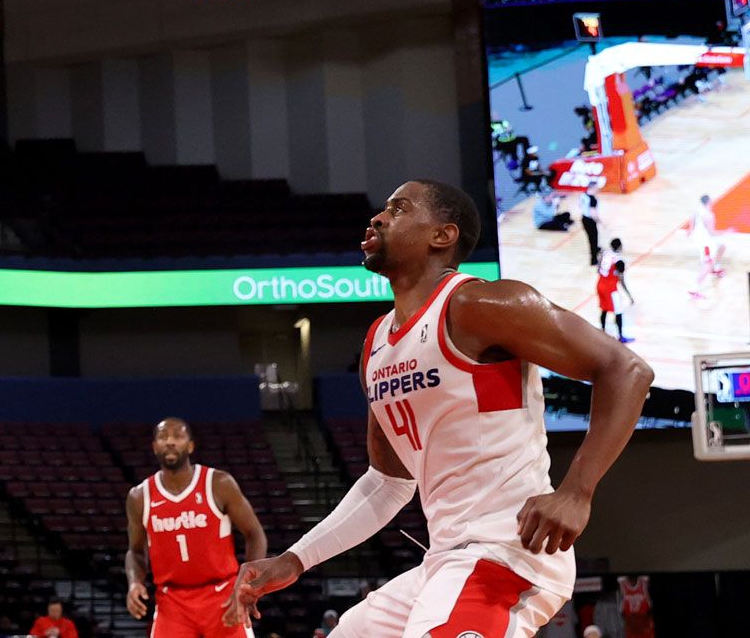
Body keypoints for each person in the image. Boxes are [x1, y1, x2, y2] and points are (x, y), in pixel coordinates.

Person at [225, 180, 654, 637]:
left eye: (399, 209)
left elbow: (626, 370)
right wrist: (295, 559)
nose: (378, 217)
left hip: (507, 552)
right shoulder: (376, 344)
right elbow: (387, 484)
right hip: (446, 559)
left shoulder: (480, 304)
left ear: (442, 236)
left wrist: (576, 491)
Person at [124, 418, 267, 637]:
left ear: (190, 445)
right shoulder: (139, 496)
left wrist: (249, 585)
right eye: (163, 437)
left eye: (178, 436)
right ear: (154, 447)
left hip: (222, 594)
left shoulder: (218, 483)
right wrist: (134, 582)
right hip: (172, 601)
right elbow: (135, 551)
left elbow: (255, 534)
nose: (170, 442)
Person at [691, 195, 725, 298]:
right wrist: (726, 231)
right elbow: (712, 233)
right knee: (707, 264)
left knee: (722, 246)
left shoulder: (697, 210)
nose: (712, 203)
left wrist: (690, 230)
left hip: (701, 238)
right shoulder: (709, 216)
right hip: (705, 242)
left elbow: (691, 218)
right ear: (708, 203)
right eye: (711, 202)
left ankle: (716, 268)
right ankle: (694, 289)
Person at [594, 259, 634, 343]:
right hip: (610, 291)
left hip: (600, 287)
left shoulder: (609, 265)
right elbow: (623, 284)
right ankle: (621, 336)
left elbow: (598, 269)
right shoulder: (617, 272)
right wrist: (630, 296)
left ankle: (602, 330)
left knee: (604, 310)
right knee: (618, 312)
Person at [581, 194, 601, 266]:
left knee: (590, 238)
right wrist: (599, 221)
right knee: (594, 239)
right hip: (590, 220)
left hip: (584, 219)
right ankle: (594, 260)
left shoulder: (583, 195)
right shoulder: (592, 199)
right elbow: (593, 212)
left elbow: (580, 205)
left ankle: (595, 249)